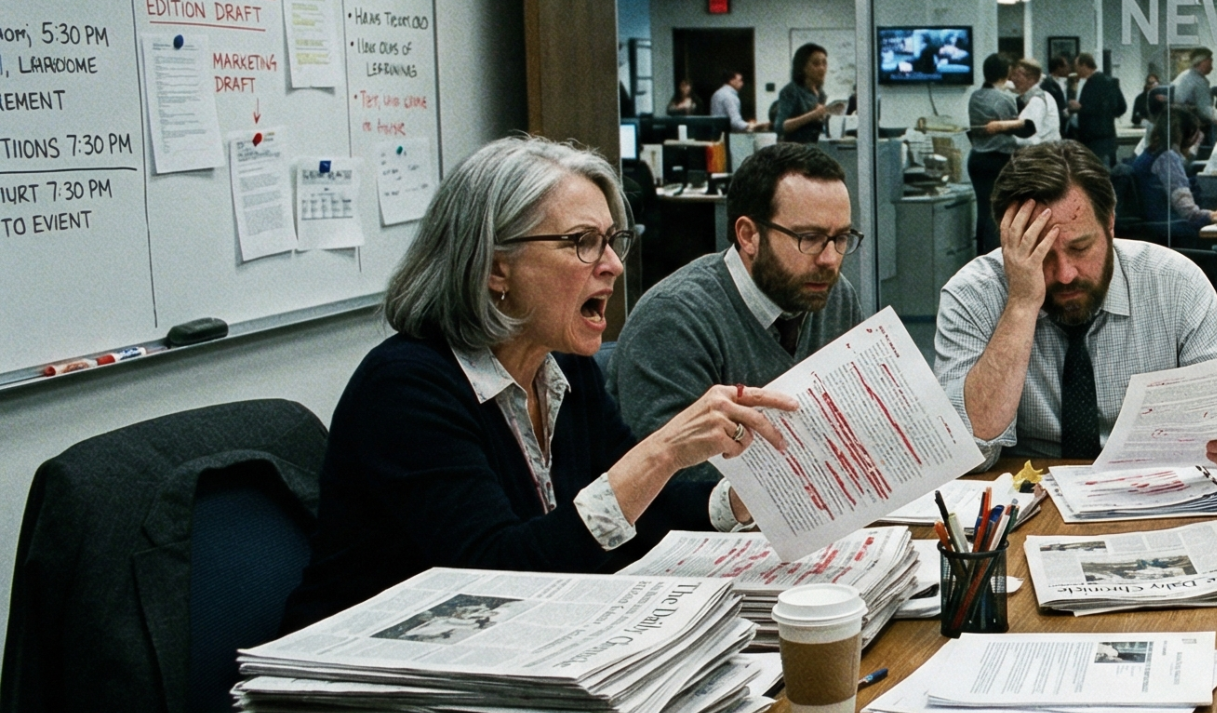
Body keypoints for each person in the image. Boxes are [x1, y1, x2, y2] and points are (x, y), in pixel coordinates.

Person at [286, 136, 791, 629]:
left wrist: (735, 501)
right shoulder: (404, 389)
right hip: (370, 678)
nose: (614, 264)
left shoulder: (564, 368)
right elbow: (495, 575)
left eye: (613, 241)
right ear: (495, 268)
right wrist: (661, 453)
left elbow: (631, 517)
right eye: (583, 243)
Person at [934, 141, 1217, 476]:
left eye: (1079, 248)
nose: (1065, 274)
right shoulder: (973, 294)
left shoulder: (1174, 281)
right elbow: (966, 452)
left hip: (1155, 497)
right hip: (1027, 504)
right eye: (1040, 254)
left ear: (1109, 224)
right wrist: (1021, 303)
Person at [609, 143, 863, 482]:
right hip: (707, 528)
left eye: (841, 238)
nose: (830, 259)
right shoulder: (672, 319)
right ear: (748, 236)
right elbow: (672, 484)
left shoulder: (834, 294)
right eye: (809, 238)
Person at [1130, 110, 1217, 246]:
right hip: (1174, 233)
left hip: (1158, 230)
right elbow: (1191, 215)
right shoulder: (1168, 159)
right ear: (1189, 135)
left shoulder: (1149, 155)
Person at [966, 55, 1033, 252]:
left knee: (983, 212)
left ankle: (980, 255)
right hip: (999, 160)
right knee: (999, 214)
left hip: (977, 159)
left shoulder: (975, 96)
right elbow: (1017, 126)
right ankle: (996, 257)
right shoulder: (1004, 99)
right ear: (1006, 73)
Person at [768, 43, 844, 144]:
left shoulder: (820, 92)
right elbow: (780, 126)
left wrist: (831, 112)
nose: (822, 68)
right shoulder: (791, 90)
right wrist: (814, 114)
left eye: (824, 63)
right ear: (803, 67)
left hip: (817, 147)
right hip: (796, 151)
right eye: (816, 64)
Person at [1069, 53, 1126, 164]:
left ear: (1084, 65)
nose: (1076, 70)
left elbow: (1106, 108)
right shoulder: (1110, 82)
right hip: (1106, 136)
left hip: (1096, 138)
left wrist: (1081, 108)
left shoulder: (1097, 83)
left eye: (1077, 66)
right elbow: (1121, 107)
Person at [1012, 57, 1061, 146]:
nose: (1013, 79)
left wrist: (1002, 139)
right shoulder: (1043, 95)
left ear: (1032, 79)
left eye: (1017, 75)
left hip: (1045, 154)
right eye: (1013, 75)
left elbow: (1030, 137)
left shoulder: (1037, 101)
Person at [1170, 52, 1217, 136]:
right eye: (1210, 63)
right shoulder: (1199, 81)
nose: (1212, 67)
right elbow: (1204, 109)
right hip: (1189, 125)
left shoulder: (1184, 75)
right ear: (1202, 63)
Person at [708, 70, 765, 134]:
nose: (742, 83)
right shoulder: (730, 97)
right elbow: (735, 123)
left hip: (716, 134)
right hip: (728, 136)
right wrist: (751, 125)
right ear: (731, 81)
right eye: (740, 80)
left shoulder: (717, 94)